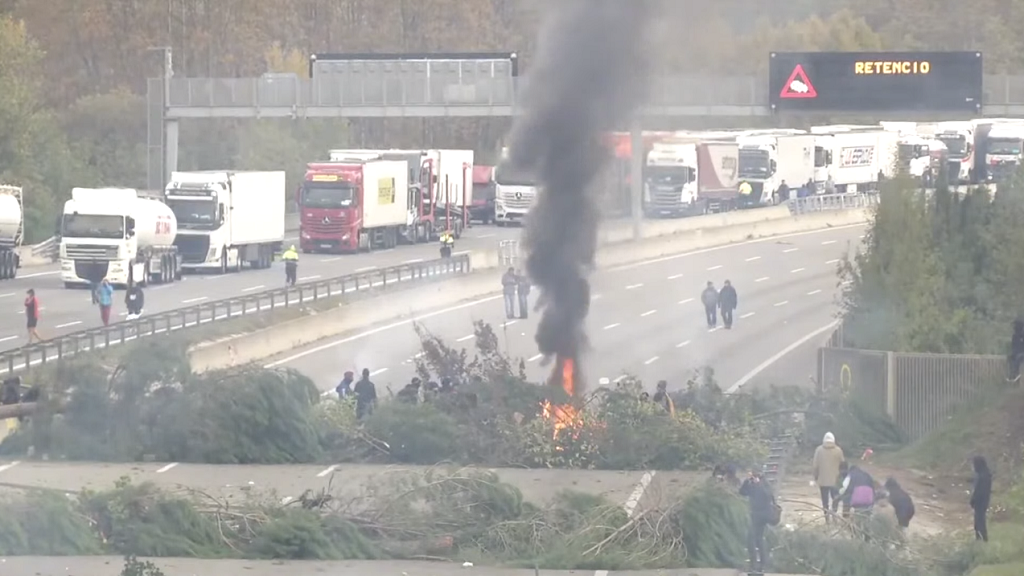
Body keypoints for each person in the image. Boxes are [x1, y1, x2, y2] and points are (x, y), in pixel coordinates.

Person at [739, 470, 776, 574]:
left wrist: (759, 483)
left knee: (752, 538)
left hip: (763, 514)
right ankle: (757, 563)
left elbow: (768, 495)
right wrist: (746, 482)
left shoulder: (764, 483)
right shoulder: (751, 484)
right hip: (754, 514)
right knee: (756, 539)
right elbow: (742, 492)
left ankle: (758, 563)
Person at [812, 431, 846, 522]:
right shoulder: (838, 450)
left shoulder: (819, 450)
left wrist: (816, 477)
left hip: (823, 481)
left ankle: (827, 519)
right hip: (835, 480)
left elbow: (815, 466)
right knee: (835, 498)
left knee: (825, 501)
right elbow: (843, 464)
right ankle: (834, 514)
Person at [970, 455, 992, 542]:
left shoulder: (981, 476)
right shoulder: (986, 474)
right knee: (980, 520)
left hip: (980, 501)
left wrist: (973, 499)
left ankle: (981, 538)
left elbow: (978, 490)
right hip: (984, 500)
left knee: (979, 521)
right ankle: (981, 538)